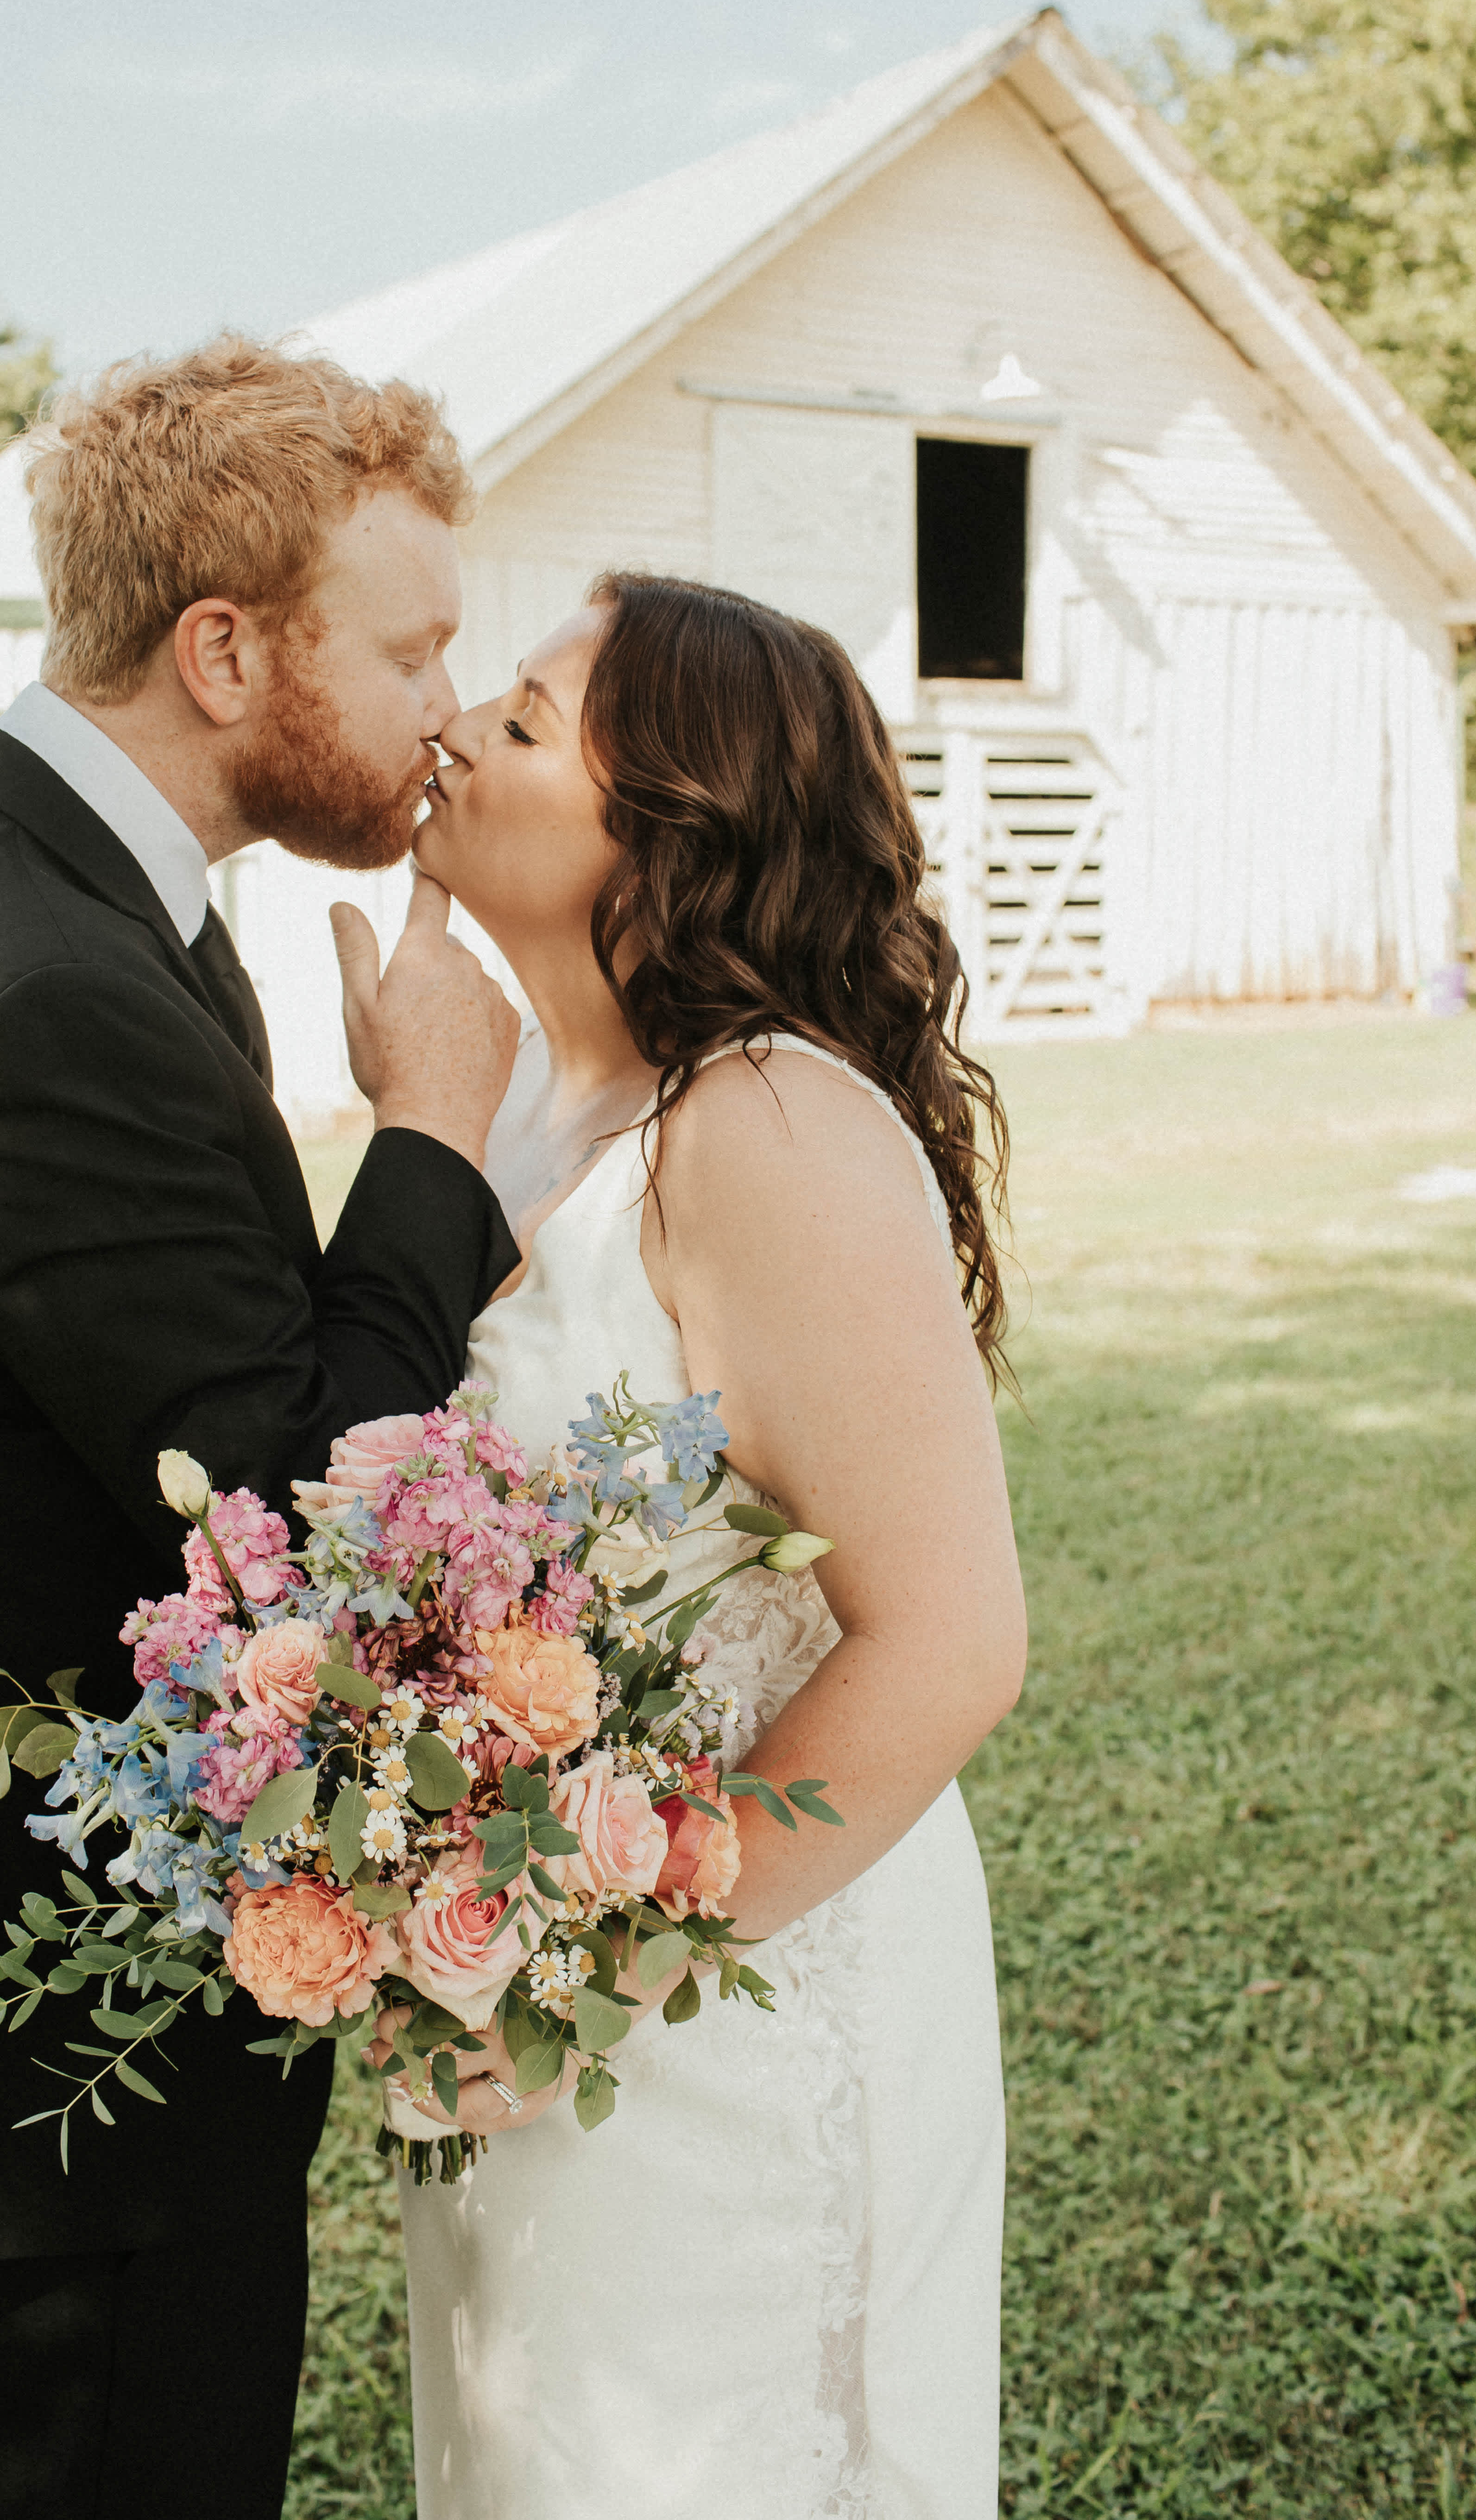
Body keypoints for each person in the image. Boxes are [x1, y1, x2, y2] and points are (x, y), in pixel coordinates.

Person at [0, 337, 521, 2520]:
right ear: (226, 649)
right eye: (412, 650)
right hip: (29, 2096)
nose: (449, 707)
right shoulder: (48, 984)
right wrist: (434, 1135)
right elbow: (298, 1514)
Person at [395, 570, 1027, 2520]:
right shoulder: (533, 1113)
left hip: (732, 2007)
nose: (452, 728)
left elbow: (949, 1640)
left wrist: (600, 1971)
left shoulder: (766, 1127)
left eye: (519, 722)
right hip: (532, 1977)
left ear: (668, 832)